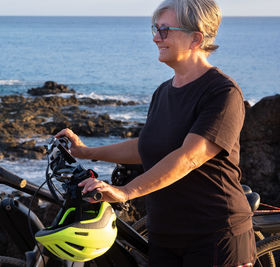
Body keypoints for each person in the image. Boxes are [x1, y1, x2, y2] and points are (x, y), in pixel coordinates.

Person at [56, 0, 256, 266]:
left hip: (214, 236)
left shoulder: (222, 93)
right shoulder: (163, 91)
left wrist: (126, 191)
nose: (154, 38)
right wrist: (87, 152)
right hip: (164, 235)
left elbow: (189, 157)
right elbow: (146, 146)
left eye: (164, 30)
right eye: (155, 29)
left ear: (196, 38)